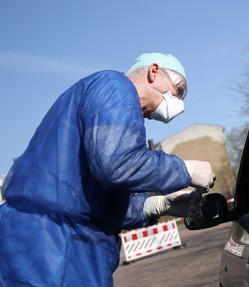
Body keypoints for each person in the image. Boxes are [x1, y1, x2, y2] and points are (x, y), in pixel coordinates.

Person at [0, 53, 216, 286]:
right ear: (154, 72)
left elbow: (93, 194)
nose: (180, 104)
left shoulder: (110, 103)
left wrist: (156, 205)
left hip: (57, 245)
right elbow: (117, 164)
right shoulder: (116, 87)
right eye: (179, 90)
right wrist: (185, 169)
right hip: (53, 249)